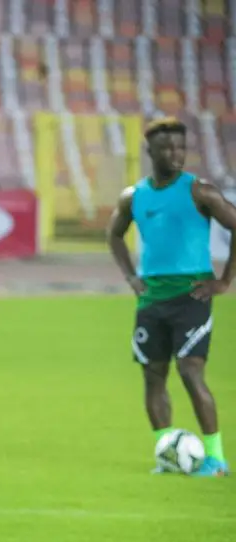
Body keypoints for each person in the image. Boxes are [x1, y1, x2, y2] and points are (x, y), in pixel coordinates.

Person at [107, 116, 233, 476]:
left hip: (191, 296)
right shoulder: (134, 197)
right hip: (151, 300)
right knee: (153, 375)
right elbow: (114, 235)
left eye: (181, 147)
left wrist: (224, 281)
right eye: (167, 148)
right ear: (150, 151)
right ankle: (167, 454)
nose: (175, 154)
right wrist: (131, 277)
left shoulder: (200, 191)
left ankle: (216, 459)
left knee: (190, 372)